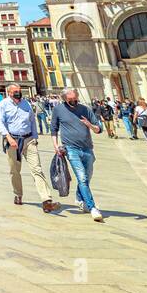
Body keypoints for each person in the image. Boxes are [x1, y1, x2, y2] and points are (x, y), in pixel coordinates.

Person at [0, 86, 58, 213]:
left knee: (37, 169)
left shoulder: (26, 104)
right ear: (9, 93)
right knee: (14, 170)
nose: (18, 93)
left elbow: (32, 121)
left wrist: (35, 138)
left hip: (29, 139)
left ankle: (46, 200)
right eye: (15, 92)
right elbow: (1, 123)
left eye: (19, 91)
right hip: (13, 141)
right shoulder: (3, 104)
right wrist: (8, 138)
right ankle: (18, 194)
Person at [49, 87, 105, 222]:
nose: (73, 101)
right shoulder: (58, 110)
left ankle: (80, 199)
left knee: (86, 177)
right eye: (70, 100)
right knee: (82, 178)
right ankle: (92, 207)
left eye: (75, 99)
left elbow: (99, 129)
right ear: (64, 99)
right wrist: (56, 145)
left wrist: (89, 125)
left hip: (87, 149)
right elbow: (54, 129)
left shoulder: (85, 109)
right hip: (71, 149)